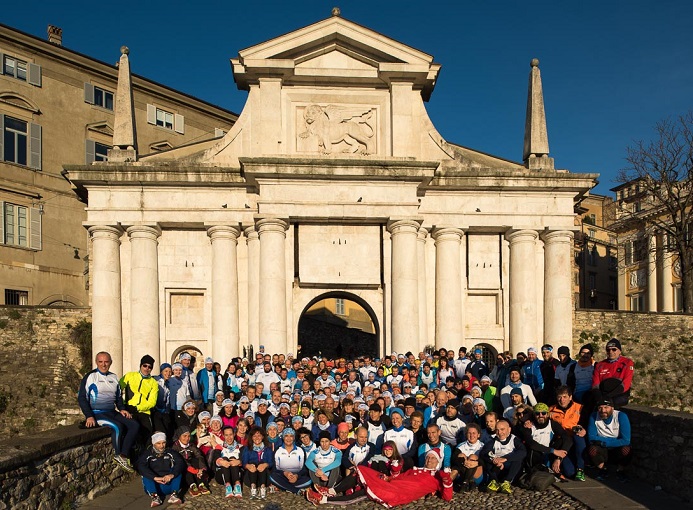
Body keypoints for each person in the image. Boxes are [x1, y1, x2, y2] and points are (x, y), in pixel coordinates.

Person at [306, 449, 453, 506]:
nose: (429, 461)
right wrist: (388, 478)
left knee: (366, 492)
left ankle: (324, 500)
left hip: (400, 493)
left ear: (438, 462)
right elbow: (399, 477)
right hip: (393, 484)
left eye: (433, 459)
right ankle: (331, 490)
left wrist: (447, 480)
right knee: (361, 471)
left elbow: (447, 497)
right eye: (428, 458)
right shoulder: (416, 470)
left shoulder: (437, 477)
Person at [78, 351, 139, 473]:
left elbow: (118, 398)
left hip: (111, 411)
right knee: (117, 427)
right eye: (100, 362)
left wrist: (122, 409)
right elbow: (82, 398)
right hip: (97, 413)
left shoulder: (114, 377)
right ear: (96, 362)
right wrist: (89, 416)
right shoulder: (90, 377)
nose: (103, 364)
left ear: (110, 362)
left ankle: (123, 455)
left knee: (134, 425)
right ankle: (117, 455)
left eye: (106, 362)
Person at [522, 403, 574, 480]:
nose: (540, 415)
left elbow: (567, 438)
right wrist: (553, 451)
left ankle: (553, 469)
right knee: (533, 450)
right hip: (537, 454)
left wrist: (559, 458)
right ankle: (550, 473)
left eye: (543, 413)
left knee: (570, 472)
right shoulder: (529, 426)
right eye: (537, 413)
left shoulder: (552, 424)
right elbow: (532, 444)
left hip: (549, 454)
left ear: (547, 414)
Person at [587, 399, 632, 481]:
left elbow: (626, 440)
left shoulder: (621, 416)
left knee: (626, 450)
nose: (603, 410)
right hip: (603, 447)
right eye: (600, 408)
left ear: (612, 408)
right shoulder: (594, 416)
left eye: (606, 407)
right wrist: (612, 440)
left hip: (614, 447)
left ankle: (620, 470)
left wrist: (604, 442)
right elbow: (591, 438)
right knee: (592, 450)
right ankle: (603, 469)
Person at [137, 432, 186, 506]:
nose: (161, 446)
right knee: (145, 474)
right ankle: (155, 497)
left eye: (163, 443)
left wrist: (171, 475)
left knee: (177, 471)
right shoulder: (147, 454)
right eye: (158, 443)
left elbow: (180, 463)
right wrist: (155, 478)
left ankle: (174, 495)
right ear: (153, 444)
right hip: (155, 485)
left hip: (169, 484)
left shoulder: (170, 452)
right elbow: (141, 467)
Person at [550, 385, 588, 481]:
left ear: (570, 397)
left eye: (565, 397)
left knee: (579, 437)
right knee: (570, 473)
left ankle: (580, 469)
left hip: (576, 440)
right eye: (559, 397)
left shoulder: (580, 408)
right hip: (561, 442)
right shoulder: (551, 410)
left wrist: (584, 429)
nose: (562, 400)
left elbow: (586, 424)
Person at [479, 418, 526, 494]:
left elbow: (523, 452)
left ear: (509, 430)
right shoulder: (493, 440)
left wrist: (505, 459)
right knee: (486, 459)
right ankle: (494, 481)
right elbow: (484, 453)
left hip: (510, 467)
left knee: (518, 459)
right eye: (497, 430)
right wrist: (494, 460)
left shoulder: (514, 440)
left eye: (502, 429)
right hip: (497, 467)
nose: (500, 432)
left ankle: (507, 482)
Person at [120, 354, 159, 444]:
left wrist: (138, 408)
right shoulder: (129, 376)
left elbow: (152, 402)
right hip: (129, 410)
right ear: (140, 365)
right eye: (144, 365)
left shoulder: (153, 383)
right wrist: (122, 405)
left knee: (147, 436)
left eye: (150, 367)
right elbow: (117, 390)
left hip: (144, 412)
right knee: (129, 435)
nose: (147, 368)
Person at [591, 338, 635, 407]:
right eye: (608, 350)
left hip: (619, 394)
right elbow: (595, 385)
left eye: (614, 349)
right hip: (603, 393)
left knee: (610, 404)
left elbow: (626, 384)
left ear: (620, 351)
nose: (611, 352)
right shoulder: (600, 365)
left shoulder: (627, 363)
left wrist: (608, 397)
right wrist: (600, 397)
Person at [171, 426, 211, 498]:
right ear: (179, 436)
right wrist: (194, 470)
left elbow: (199, 456)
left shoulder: (191, 445)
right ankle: (192, 485)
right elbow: (180, 460)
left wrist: (202, 469)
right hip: (184, 470)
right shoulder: (175, 447)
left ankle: (201, 484)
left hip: (194, 469)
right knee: (185, 465)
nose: (187, 438)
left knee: (195, 460)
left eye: (189, 436)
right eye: (184, 436)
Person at [270, 428, 313, 493]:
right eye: (286, 436)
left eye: (291, 436)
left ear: (294, 438)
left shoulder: (300, 450)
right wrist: (285, 473)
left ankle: (285, 487)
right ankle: (296, 490)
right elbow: (275, 469)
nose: (289, 438)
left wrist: (296, 476)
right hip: (283, 476)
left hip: (297, 478)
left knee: (309, 480)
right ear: (283, 437)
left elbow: (304, 469)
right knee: (272, 477)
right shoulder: (278, 450)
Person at [450, 422, 485, 491]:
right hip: (462, 474)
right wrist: (464, 461)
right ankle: (467, 481)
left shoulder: (483, 446)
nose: (471, 435)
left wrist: (477, 462)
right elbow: (453, 459)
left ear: (478, 435)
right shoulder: (461, 446)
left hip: (477, 476)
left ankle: (466, 482)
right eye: (469, 433)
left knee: (473, 457)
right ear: (466, 434)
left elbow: (486, 461)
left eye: (474, 433)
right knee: (461, 455)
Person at [212, 425, 244, 498]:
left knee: (233, 458)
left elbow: (245, 459)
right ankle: (228, 486)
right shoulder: (219, 447)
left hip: (237, 474)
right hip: (222, 475)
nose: (229, 438)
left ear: (234, 434)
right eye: (226, 435)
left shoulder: (241, 447)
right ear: (223, 436)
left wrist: (239, 461)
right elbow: (215, 460)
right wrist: (220, 462)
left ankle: (237, 485)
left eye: (230, 435)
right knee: (225, 458)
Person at [242, 426, 273, 499]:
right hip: (251, 477)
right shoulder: (247, 449)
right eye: (254, 436)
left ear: (262, 437)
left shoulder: (267, 448)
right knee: (253, 463)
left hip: (265, 478)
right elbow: (244, 463)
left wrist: (266, 465)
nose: (257, 438)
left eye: (259, 435)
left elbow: (272, 463)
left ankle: (263, 488)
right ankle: (253, 488)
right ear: (251, 437)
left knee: (261, 463)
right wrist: (248, 466)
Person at [152, 363, 173, 439]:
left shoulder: (168, 383)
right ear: (161, 371)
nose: (168, 374)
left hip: (163, 410)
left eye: (170, 372)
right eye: (166, 371)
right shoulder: (156, 380)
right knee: (160, 429)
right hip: (155, 409)